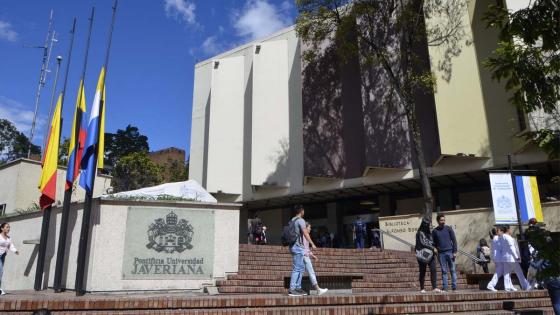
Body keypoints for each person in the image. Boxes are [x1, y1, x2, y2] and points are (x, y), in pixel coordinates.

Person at [288, 205, 316, 296]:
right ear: (301, 211)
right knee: (297, 268)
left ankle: (298, 287)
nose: (304, 212)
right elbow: (305, 233)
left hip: (293, 246)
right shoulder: (301, 220)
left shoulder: (292, 220)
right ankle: (292, 288)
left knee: (300, 268)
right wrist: (312, 243)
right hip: (297, 247)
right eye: (303, 210)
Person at [415, 218, 442, 293]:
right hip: (422, 254)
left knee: (433, 270)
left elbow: (432, 242)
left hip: (431, 254)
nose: (429, 226)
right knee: (422, 271)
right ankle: (422, 288)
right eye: (427, 225)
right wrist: (433, 248)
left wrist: (436, 247)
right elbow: (423, 242)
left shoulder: (430, 233)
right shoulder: (419, 233)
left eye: (429, 225)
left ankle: (434, 287)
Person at [432, 214, 458, 292]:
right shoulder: (435, 231)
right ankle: (445, 287)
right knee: (444, 271)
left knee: (452, 270)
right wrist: (434, 248)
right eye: (441, 220)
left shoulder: (448, 229)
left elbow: (454, 240)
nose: (443, 221)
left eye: (444, 220)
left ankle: (454, 287)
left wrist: (455, 251)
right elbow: (433, 243)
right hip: (441, 254)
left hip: (450, 252)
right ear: (438, 221)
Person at [500, 225, 530, 291]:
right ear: (508, 230)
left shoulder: (501, 237)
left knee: (506, 273)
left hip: (504, 258)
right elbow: (512, 248)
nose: (511, 231)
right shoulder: (509, 238)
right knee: (519, 272)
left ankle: (507, 287)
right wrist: (517, 257)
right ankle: (525, 285)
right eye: (510, 229)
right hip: (512, 258)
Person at [303, 223, 328, 295]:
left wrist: (313, 256)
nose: (310, 229)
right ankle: (318, 289)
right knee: (311, 272)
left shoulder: (304, 236)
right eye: (309, 227)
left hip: (304, 256)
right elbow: (305, 249)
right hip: (305, 256)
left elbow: (306, 248)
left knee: (303, 272)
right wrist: (310, 255)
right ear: (306, 228)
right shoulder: (305, 236)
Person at [487, 227, 511, 291]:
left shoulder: (493, 238)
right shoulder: (497, 238)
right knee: (500, 271)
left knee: (504, 271)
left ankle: (509, 285)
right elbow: (501, 247)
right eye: (499, 231)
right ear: (497, 232)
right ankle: (491, 284)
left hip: (496, 257)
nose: (501, 232)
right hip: (499, 257)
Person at [0, 222, 20, 295]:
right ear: (2, 228)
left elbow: (11, 246)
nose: (8, 229)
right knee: (0, 271)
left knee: (1, 272)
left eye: (9, 227)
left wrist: (15, 251)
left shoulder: (9, 238)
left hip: (3, 255)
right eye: (7, 227)